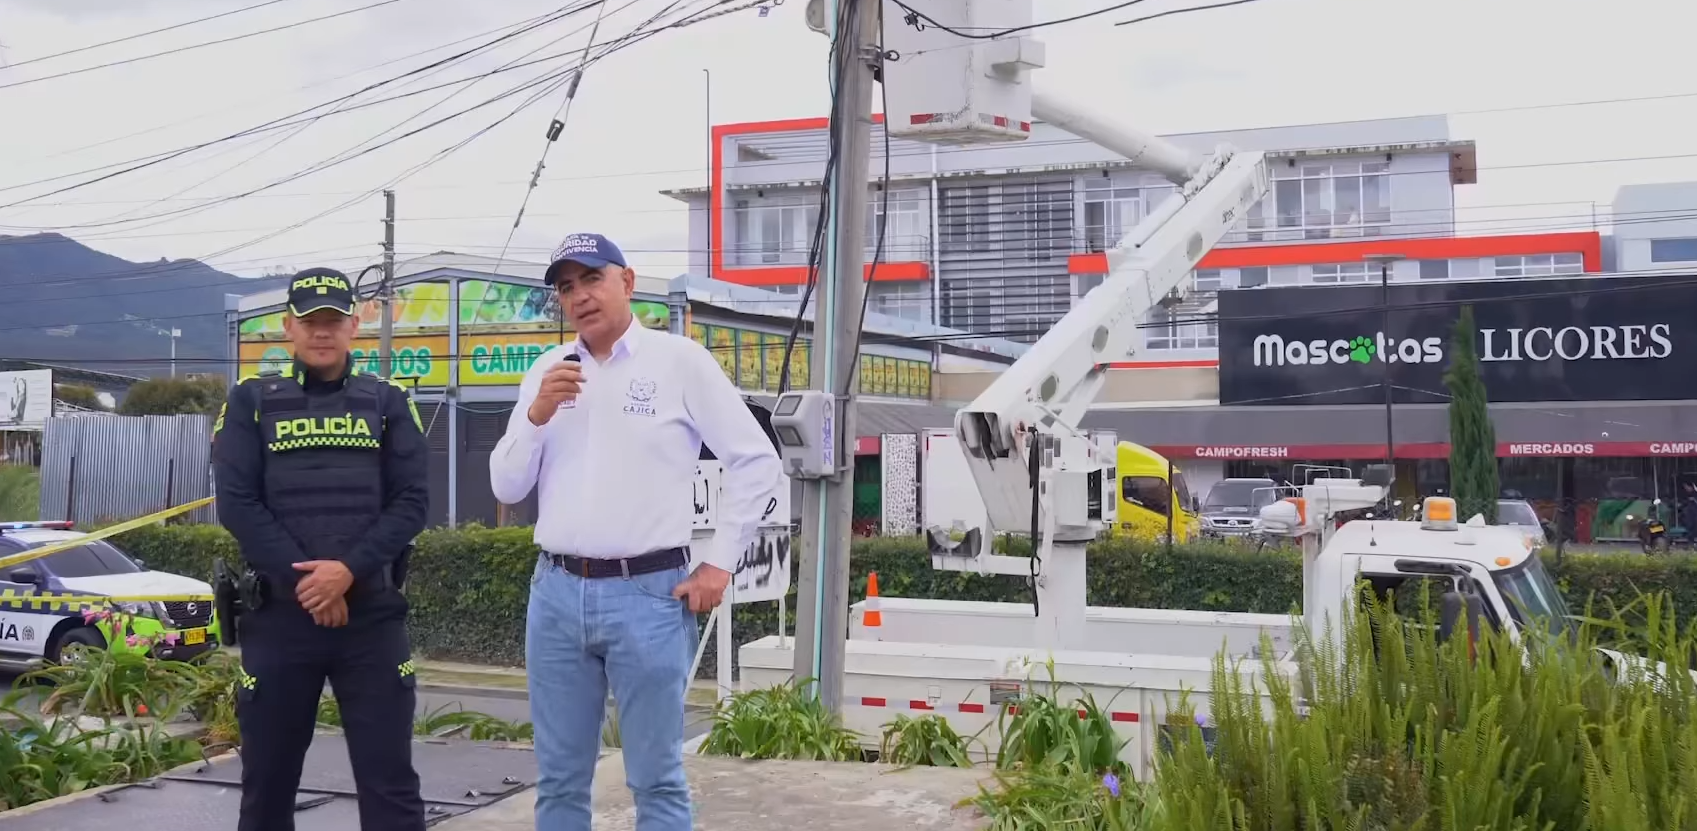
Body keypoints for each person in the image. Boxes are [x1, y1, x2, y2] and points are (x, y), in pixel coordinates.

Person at [489, 233, 781, 831]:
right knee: (560, 783)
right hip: (556, 594)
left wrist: (720, 561)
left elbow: (757, 461)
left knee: (656, 779)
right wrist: (537, 416)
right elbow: (506, 486)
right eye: (566, 287)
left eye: (592, 279)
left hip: (649, 595)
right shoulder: (547, 372)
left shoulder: (679, 362)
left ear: (627, 281)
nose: (580, 296)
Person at [212, 267, 431, 831]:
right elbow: (237, 504)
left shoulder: (388, 402)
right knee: (266, 787)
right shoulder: (249, 402)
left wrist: (347, 573)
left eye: (334, 319)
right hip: (281, 621)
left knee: (391, 787)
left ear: (355, 324)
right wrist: (311, 585)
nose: (322, 331)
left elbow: (411, 504)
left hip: (372, 621)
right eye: (310, 321)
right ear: (289, 327)